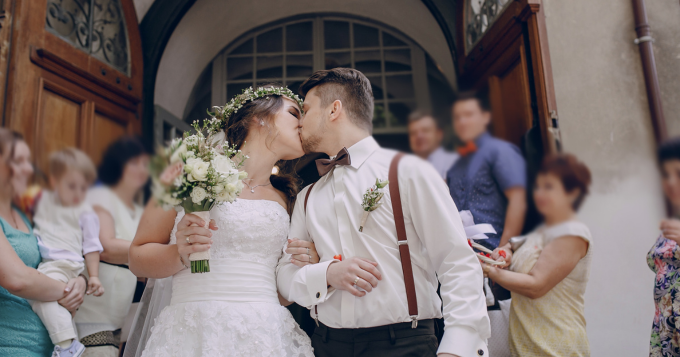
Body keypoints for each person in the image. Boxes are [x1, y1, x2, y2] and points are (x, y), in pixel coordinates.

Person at [277, 68, 490, 357]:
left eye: (306, 109)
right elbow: (286, 276)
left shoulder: (408, 171)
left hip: (404, 343)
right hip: (327, 344)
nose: (300, 121)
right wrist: (326, 273)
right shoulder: (307, 196)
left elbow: (456, 261)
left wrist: (458, 346)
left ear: (334, 110)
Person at [125, 85, 320, 356]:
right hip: (193, 332)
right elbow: (136, 259)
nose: (304, 123)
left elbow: (282, 294)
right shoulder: (186, 172)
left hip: (265, 337)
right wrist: (179, 253)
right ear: (259, 117)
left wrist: (305, 265)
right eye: (294, 112)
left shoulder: (288, 199)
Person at [483, 154, 593, 357]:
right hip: (529, 346)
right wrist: (505, 251)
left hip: (555, 346)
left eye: (549, 187)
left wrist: (489, 270)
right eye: (538, 186)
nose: (540, 193)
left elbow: (536, 285)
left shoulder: (571, 232)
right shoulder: (543, 230)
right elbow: (514, 245)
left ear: (572, 193)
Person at [0, 129, 87, 356]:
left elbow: (53, 261)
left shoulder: (26, 217)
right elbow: (17, 279)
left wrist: (80, 281)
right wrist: (67, 291)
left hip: (48, 349)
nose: (29, 169)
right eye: (19, 161)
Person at [75, 137, 150, 357]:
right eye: (134, 163)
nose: (141, 169)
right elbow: (104, 245)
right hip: (94, 311)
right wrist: (148, 251)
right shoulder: (102, 196)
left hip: (119, 318)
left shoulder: (138, 210)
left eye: (145, 164)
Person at [31, 148, 105, 356]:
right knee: (55, 305)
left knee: (38, 298)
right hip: (49, 265)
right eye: (72, 186)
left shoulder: (85, 212)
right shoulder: (43, 201)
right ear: (55, 183)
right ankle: (71, 343)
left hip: (64, 266)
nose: (78, 193)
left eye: (84, 188)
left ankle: (66, 345)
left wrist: (94, 277)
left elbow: (91, 246)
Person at [447, 91, 527, 251]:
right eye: (457, 117)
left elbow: (518, 200)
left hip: (494, 252)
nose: (462, 121)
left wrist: (504, 249)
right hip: (466, 256)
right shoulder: (455, 164)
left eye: (468, 114)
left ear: (485, 117)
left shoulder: (500, 151)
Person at [649, 138, 680, 356]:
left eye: (678, 173)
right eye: (665, 174)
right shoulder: (673, 221)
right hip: (666, 336)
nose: (670, 182)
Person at [407, 110, 458, 180]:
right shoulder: (403, 167)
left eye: (425, 130)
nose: (419, 136)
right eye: (413, 133)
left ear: (439, 134)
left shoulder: (456, 162)